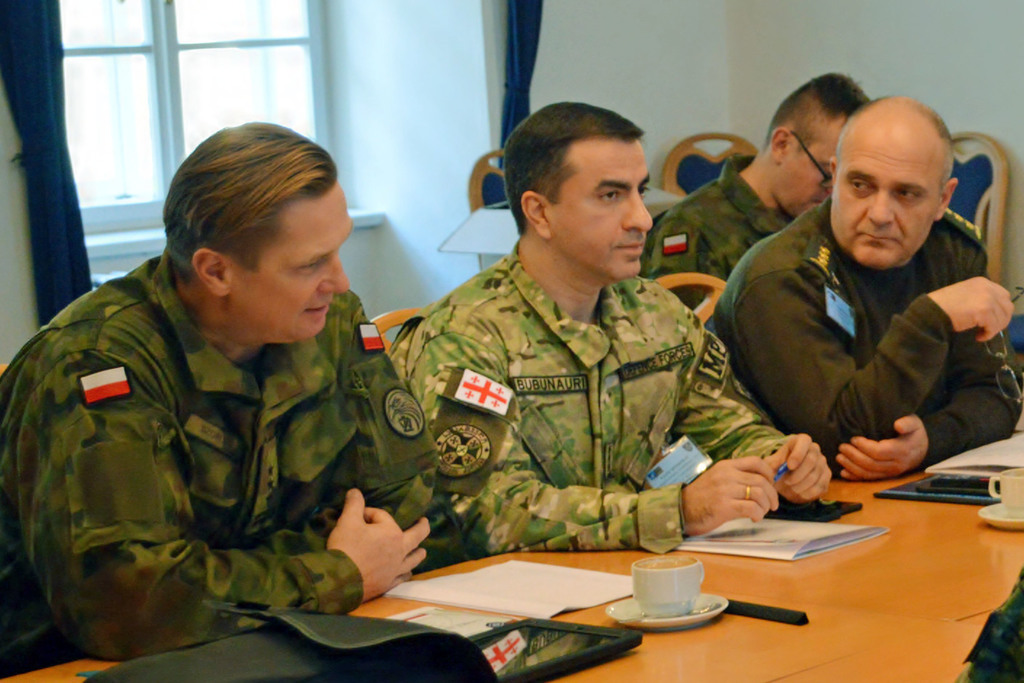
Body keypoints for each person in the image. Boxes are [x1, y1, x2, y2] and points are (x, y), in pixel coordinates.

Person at [0, 123, 442, 676]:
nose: (340, 279)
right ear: (215, 271)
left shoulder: (328, 322)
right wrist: (336, 571)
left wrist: (308, 572)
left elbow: (405, 490)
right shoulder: (96, 366)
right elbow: (129, 605)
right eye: (310, 264)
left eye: (339, 250)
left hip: (295, 645)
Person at [388, 102, 831, 560]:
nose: (642, 218)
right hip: (518, 607)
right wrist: (674, 511)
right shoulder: (465, 338)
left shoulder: (656, 314)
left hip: (646, 579)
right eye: (611, 196)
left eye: (640, 192)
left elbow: (726, 426)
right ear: (539, 212)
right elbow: (483, 513)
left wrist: (780, 461)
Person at [715, 97, 1021, 480]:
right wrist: (928, 322)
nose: (879, 214)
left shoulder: (951, 251)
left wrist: (930, 441)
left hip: (915, 488)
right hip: (805, 510)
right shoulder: (781, 276)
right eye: (860, 185)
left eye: (906, 194)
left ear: (943, 199)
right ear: (834, 175)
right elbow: (841, 440)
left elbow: (1000, 394)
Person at [640, 73, 868, 301]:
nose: (832, 192)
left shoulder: (822, 220)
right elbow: (678, 331)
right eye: (826, 174)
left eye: (844, 179)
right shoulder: (693, 228)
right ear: (782, 145)